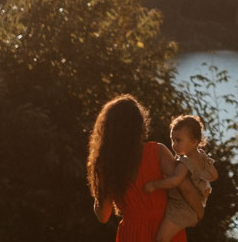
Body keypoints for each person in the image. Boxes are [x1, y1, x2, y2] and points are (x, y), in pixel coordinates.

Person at [87, 94, 186, 242]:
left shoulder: (106, 164)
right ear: (139, 124)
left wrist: (98, 188)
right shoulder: (157, 151)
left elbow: (103, 215)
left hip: (132, 234)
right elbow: (185, 188)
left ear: (107, 128)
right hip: (167, 229)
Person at [143, 114, 218, 242]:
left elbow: (176, 181)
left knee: (161, 239)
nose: (174, 145)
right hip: (192, 207)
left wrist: (154, 185)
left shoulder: (185, 162)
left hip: (181, 209)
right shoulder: (202, 156)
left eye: (178, 140)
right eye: (172, 140)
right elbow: (214, 176)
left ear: (194, 142)